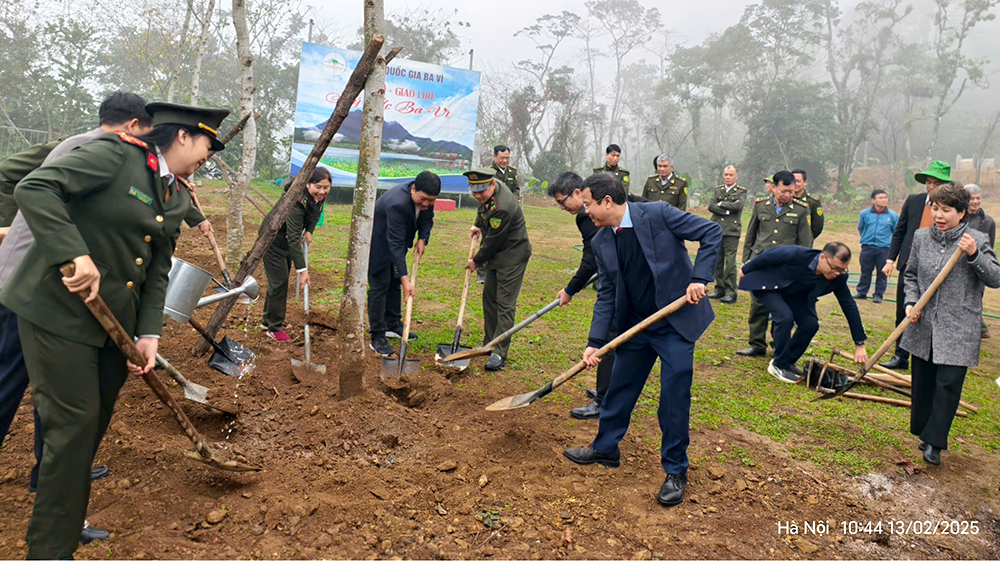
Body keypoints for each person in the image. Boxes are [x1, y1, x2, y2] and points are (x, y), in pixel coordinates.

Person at [0, 101, 229, 559]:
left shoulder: (176, 193)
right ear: (183, 135)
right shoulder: (114, 155)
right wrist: (73, 252)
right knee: (72, 428)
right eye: (208, 143)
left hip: (115, 326)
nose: (211, 153)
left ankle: (59, 530)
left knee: (91, 428)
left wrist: (149, 334)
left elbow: (158, 268)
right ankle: (50, 550)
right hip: (56, 313)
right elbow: (36, 187)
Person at [0, 92, 166, 546]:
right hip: (29, 284)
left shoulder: (128, 161)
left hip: (67, 288)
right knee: (9, 382)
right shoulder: (89, 147)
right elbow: (21, 180)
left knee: (56, 406)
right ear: (135, 126)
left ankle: (49, 475)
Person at [562, 173, 721, 507]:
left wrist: (699, 277)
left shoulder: (659, 213)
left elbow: (711, 232)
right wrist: (594, 341)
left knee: (673, 398)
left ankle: (676, 470)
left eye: (588, 203)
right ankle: (605, 448)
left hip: (675, 323)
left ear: (607, 201)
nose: (584, 210)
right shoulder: (601, 241)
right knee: (619, 387)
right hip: (636, 325)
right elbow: (606, 294)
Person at [899, 183, 1000, 465]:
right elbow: (910, 275)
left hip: (959, 327)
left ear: (961, 212)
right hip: (924, 324)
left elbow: (995, 278)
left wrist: (974, 256)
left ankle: (934, 442)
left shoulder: (976, 239)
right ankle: (924, 431)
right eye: (935, 208)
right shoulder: (920, 237)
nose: (939, 215)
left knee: (948, 385)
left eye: (946, 210)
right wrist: (911, 303)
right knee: (923, 383)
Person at [547, 171, 646, 419]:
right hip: (621, 277)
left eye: (563, 201)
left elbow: (590, 260)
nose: (562, 207)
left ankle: (603, 399)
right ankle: (607, 391)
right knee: (612, 335)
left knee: (610, 336)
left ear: (578, 193)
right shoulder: (592, 211)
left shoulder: (587, 215)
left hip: (627, 281)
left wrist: (570, 290)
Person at [739, 242, 868, 383]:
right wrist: (746, 269)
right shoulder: (797, 254)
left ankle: (788, 362)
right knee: (785, 317)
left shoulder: (839, 278)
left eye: (842, 270)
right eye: (835, 268)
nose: (837, 273)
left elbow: (849, 305)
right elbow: (770, 256)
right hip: (771, 286)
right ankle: (778, 365)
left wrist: (859, 343)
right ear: (823, 258)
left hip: (796, 294)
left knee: (810, 324)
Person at [880, 161, 952, 371]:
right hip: (909, 265)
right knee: (903, 310)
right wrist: (891, 259)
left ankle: (930, 357)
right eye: (929, 182)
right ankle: (900, 355)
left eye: (936, 183)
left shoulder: (952, 209)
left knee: (930, 315)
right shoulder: (914, 201)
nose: (931, 186)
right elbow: (900, 231)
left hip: (936, 270)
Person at [737, 171, 813, 358]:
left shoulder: (801, 209)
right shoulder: (760, 205)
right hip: (760, 263)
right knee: (758, 305)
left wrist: (802, 270)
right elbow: (751, 235)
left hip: (785, 268)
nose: (787, 195)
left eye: (791, 191)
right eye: (783, 190)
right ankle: (756, 344)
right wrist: (746, 261)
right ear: (774, 187)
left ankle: (778, 344)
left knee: (782, 307)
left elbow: (805, 243)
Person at [464, 168, 531, 371]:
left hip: (512, 255)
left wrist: (476, 261)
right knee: (489, 297)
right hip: (497, 253)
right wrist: (478, 225)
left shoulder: (503, 206)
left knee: (505, 303)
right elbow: (483, 209)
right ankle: (489, 343)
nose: (477, 196)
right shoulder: (491, 191)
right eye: (474, 192)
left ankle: (499, 352)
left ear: (492, 185)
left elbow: (492, 242)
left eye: (481, 192)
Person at [367, 172, 439, 357]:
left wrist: (423, 238)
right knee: (380, 285)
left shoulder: (426, 197)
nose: (426, 204)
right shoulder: (397, 203)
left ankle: (392, 324)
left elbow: (427, 219)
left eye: (430, 201)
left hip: (395, 242)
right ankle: (377, 336)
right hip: (377, 244)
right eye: (423, 200)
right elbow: (395, 245)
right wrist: (406, 280)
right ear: (414, 189)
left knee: (394, 282)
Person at [707, 166, 746, 304]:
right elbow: (711, 206)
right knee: (718, 260)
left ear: (736, 176)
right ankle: (720, 289)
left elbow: (738, 207)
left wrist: (721, 204)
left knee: (730, 263)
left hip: (731, 231)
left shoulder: (741, 191)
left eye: (730, 175)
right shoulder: (718, 190)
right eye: (726, 175)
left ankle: (731, 292)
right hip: (717, 228)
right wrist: (727, 209)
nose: (728, 177)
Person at [854, 188, 898, 303]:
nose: (884, 200)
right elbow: (861, 228)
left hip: (884, 249)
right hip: (867, 247)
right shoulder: (864, 214)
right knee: (865, 271)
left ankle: (878, 295)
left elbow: (896, 232)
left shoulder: (893, 216)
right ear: (873, 200)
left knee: (882, 273)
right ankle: (862, 292)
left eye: (885, 198)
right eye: (880, 198)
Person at [965, 184, 995, 339]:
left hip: (978, 263)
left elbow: (989, 246)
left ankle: (978, 325)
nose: (975, 202)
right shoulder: (959, 219)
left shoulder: (988, 222)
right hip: (961, 264)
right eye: (971, 198)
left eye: (978, 198)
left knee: (977, 294)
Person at [792, 168, 824, 242]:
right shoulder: (785, 200)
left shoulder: (813, 201)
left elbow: (817, 226)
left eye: (798, 181)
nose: (795, 184)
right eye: (793, 181)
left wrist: (808, 238)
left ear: (805, 182)